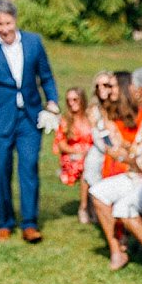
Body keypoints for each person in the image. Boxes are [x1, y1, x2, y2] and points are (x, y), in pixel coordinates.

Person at [0, 0, 61, 242]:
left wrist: (52, 102)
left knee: (29, 167)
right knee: (0, 170)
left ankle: (29, 223)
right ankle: (5, 221)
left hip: (29, 118)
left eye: (8, 23)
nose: (4, 29)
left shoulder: (33, 43)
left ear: (15, 20)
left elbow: (46, 76)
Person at [87, 72, 142, 271]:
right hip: (135, 171)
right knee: (97, 192)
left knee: (123, 207)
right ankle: (116, 250)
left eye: (114, 86)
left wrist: (124, 152)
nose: (110, 91)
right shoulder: (113, 111)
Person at [55, 87, 97, 222]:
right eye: (69, 100)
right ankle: (84, 207)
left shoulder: (89, 117)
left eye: (75, 99)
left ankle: (95, 205)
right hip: (73, 157)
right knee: (87, 167)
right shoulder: (66, 120)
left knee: (94, 163)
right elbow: (61, 144)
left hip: (90, 154)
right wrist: (78, 151)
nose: (72, 103)